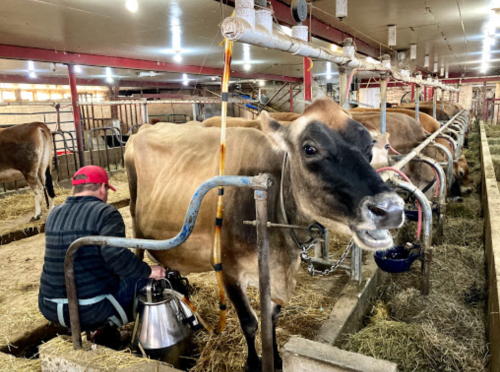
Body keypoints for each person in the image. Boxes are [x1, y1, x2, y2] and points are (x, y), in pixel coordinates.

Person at [38, 165, 165, 334]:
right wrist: (149, 271)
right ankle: (149, 336)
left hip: (50, 306)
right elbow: (116, 256)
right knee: (149, 283)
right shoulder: (105, 213)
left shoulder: (54, 213)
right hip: (92, 309)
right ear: (102, 188)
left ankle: (104, 332)